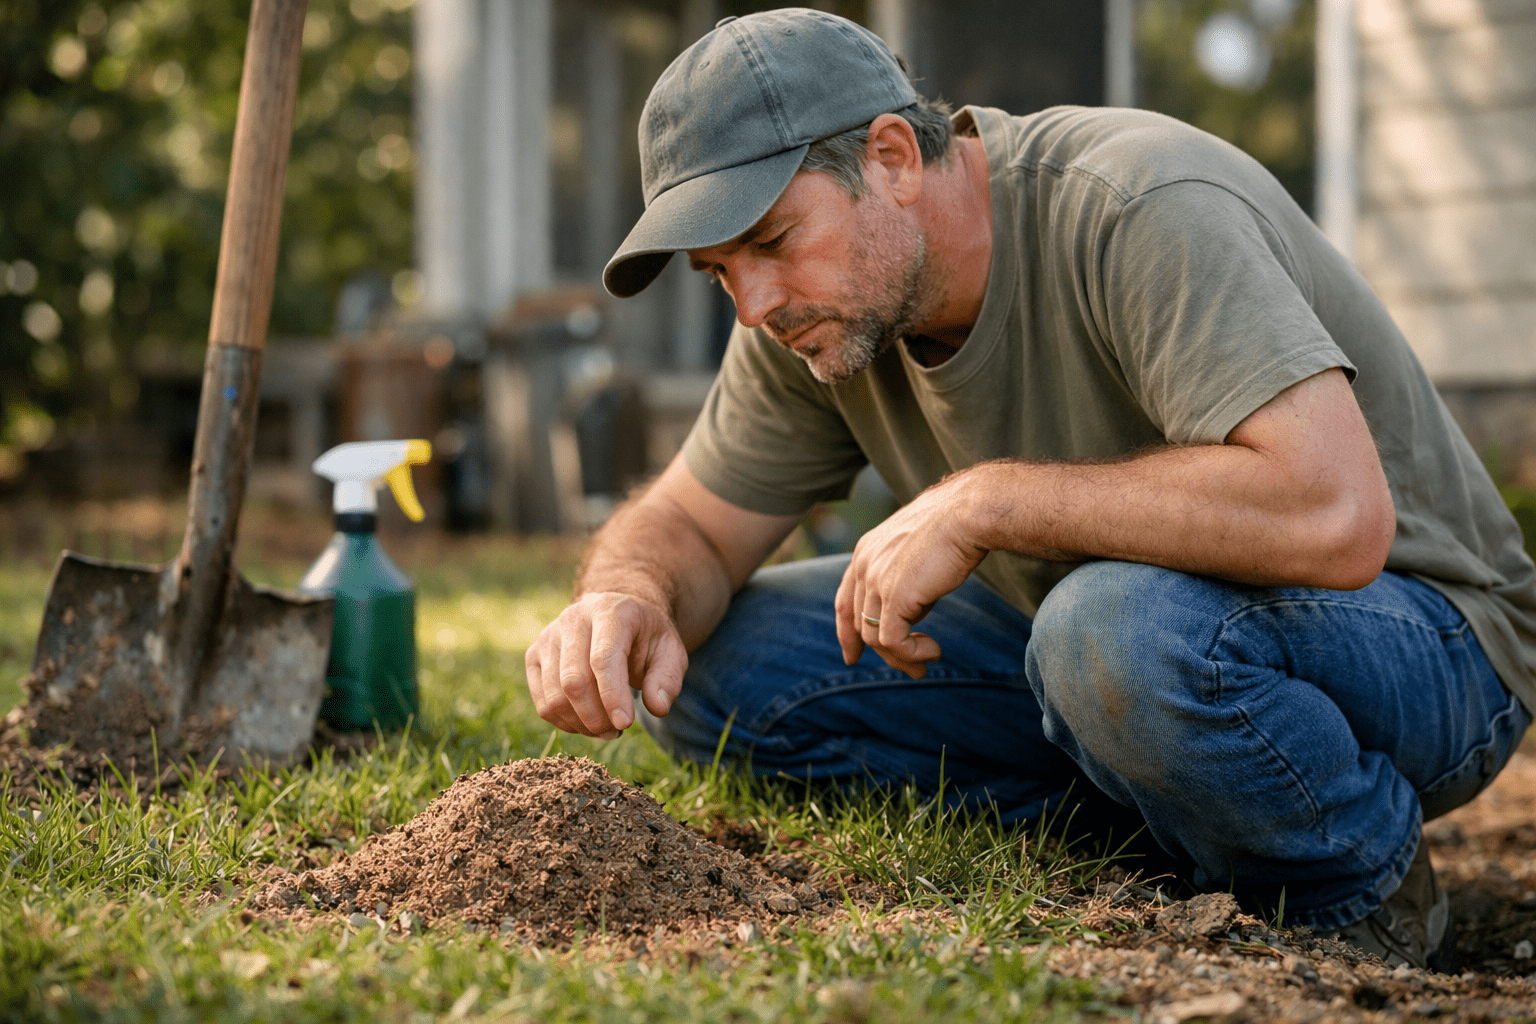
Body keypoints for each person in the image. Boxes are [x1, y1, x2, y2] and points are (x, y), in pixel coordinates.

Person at [525, 8, 1536, 970]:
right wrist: (628, 593)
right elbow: (691, 527)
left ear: (889, 158)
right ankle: (1176, 821)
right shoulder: (810, 315)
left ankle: (1353, 883)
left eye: (773, 242)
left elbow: (1335, 515)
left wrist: (988, 501)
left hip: (1427, 637)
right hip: (1101, 634)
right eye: (718, 272)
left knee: (1111, 630)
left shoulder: (1137, 203)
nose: (752, 304)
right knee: (707, 670)